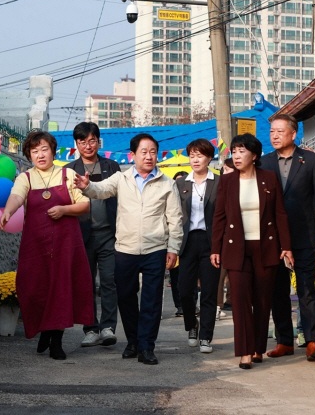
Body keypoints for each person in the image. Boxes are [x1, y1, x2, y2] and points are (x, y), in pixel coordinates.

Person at [74, 133, 183, 365]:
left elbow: (175, 219)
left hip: (156, 249)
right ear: (132, 155)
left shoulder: (167, 183)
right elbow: (100, 190)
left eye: (153, 151)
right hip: (125, 249)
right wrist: (86, 186)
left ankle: (146, 347)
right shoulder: (121, 179)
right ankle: (132, 341)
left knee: (152, 301)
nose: (149, 156)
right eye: (143, 152)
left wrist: (173, 248)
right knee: (125, 297)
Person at [0, 131, 93, 361]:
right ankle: (45, 329)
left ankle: (56, 341)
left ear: (53, 151)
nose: (40, 155)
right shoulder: (26, 177)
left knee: (61, 290)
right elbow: (16, 196)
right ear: (29, 155)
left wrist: (64, 210)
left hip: (65, 244)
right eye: (34, 151)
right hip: (36, 245)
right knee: (34, 287)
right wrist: (8, 211)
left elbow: (85, 205)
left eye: (44, 149)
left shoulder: (67, 174)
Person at [210, 134, 292, 369]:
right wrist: (215, 247)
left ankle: (258, 348)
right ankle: (245, 352)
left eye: (241, 151)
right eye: (234, 151)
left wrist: (286, 246)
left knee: (262, 299)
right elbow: (219, 217)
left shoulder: (269, 178)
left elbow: (280, 214)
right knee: (240, 300)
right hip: (236, 248)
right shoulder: (226, 181)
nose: (236, 156)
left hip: (266, 247)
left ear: (254, 155)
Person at [263, 114, 315, 361]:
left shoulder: (311, 160)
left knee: (306, 289)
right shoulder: (264, 163)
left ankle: (312, 341)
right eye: (272, 131)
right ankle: (284, 341)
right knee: (277, 291)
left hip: (303, 235)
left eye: (280, 131)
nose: (275, 136)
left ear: (293, 134)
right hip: (272, 239)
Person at [65, 122, 121, 348]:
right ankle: (90, 328)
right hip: (82, 235)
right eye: (82, 141)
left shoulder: (112, 166)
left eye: (92, 140)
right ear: (76, 144)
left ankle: (108, 328)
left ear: (99, 141)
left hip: (109, 234)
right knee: (86, 283)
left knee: (109, 282)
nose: (87, 146)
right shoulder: (69, 170)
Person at [175, 139, 221, 353]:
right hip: (187, 241)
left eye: (200, 155)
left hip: (210, 241)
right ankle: (192, 325)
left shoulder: (219, 182)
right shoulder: (181, 183)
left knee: (210, 292)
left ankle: (206, 337)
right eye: (192, 155)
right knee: (185, 291)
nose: (195, 159)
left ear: (209, 158)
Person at [217, 158, 236, 319]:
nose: (226, 171)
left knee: (234, 274)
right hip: (222, 237)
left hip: (238, 237)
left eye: (229, 169)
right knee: (220, 273)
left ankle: (232, 300)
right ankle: (218, 304)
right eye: (225, 169)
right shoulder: (219, 186)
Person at [169, 170, 189, 317]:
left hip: (189, 240)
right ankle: (179, 306)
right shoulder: (170, 199)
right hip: (173, 242)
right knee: (175, 276)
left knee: (190, 277)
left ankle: (191, 304)